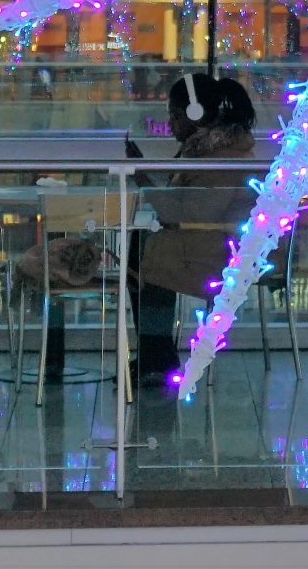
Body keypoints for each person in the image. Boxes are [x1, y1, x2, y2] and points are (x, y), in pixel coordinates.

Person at [130, 73, 260, 383]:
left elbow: (192, 212)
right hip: (210, 239)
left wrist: (143, 180)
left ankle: (157, 358)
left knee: (146, 252)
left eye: (175, 115)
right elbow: (185, 210)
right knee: (143, 248)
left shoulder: (221, 158)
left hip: (220, 251)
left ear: (195, 115)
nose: (171, 124)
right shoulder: (205, 152)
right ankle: (155, 354)